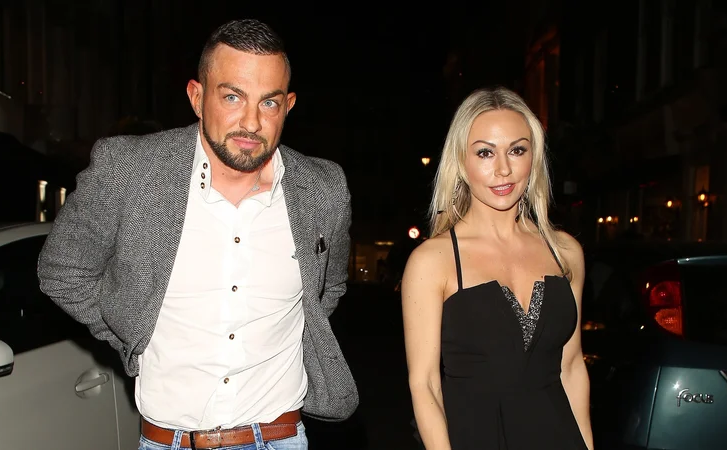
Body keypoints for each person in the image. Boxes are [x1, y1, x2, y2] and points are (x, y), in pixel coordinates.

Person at [38, 18, 357, 450]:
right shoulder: (129, 170)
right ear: (197, 97)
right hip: (168, 440)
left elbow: (327, 289)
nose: (251, 122)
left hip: (280, 436)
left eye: (269, 103)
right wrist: (134, 337)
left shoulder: (323, 189)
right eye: (232, 97)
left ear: (288, 106)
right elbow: (62, 271)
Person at [401, 86, 593, 449]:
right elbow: (424, 385)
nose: (503, 169)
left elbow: (571, 367)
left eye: (517, 150)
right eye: (485, 152)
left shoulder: (565, 252)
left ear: (533, 158)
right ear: (461, 162)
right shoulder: (433, 260)